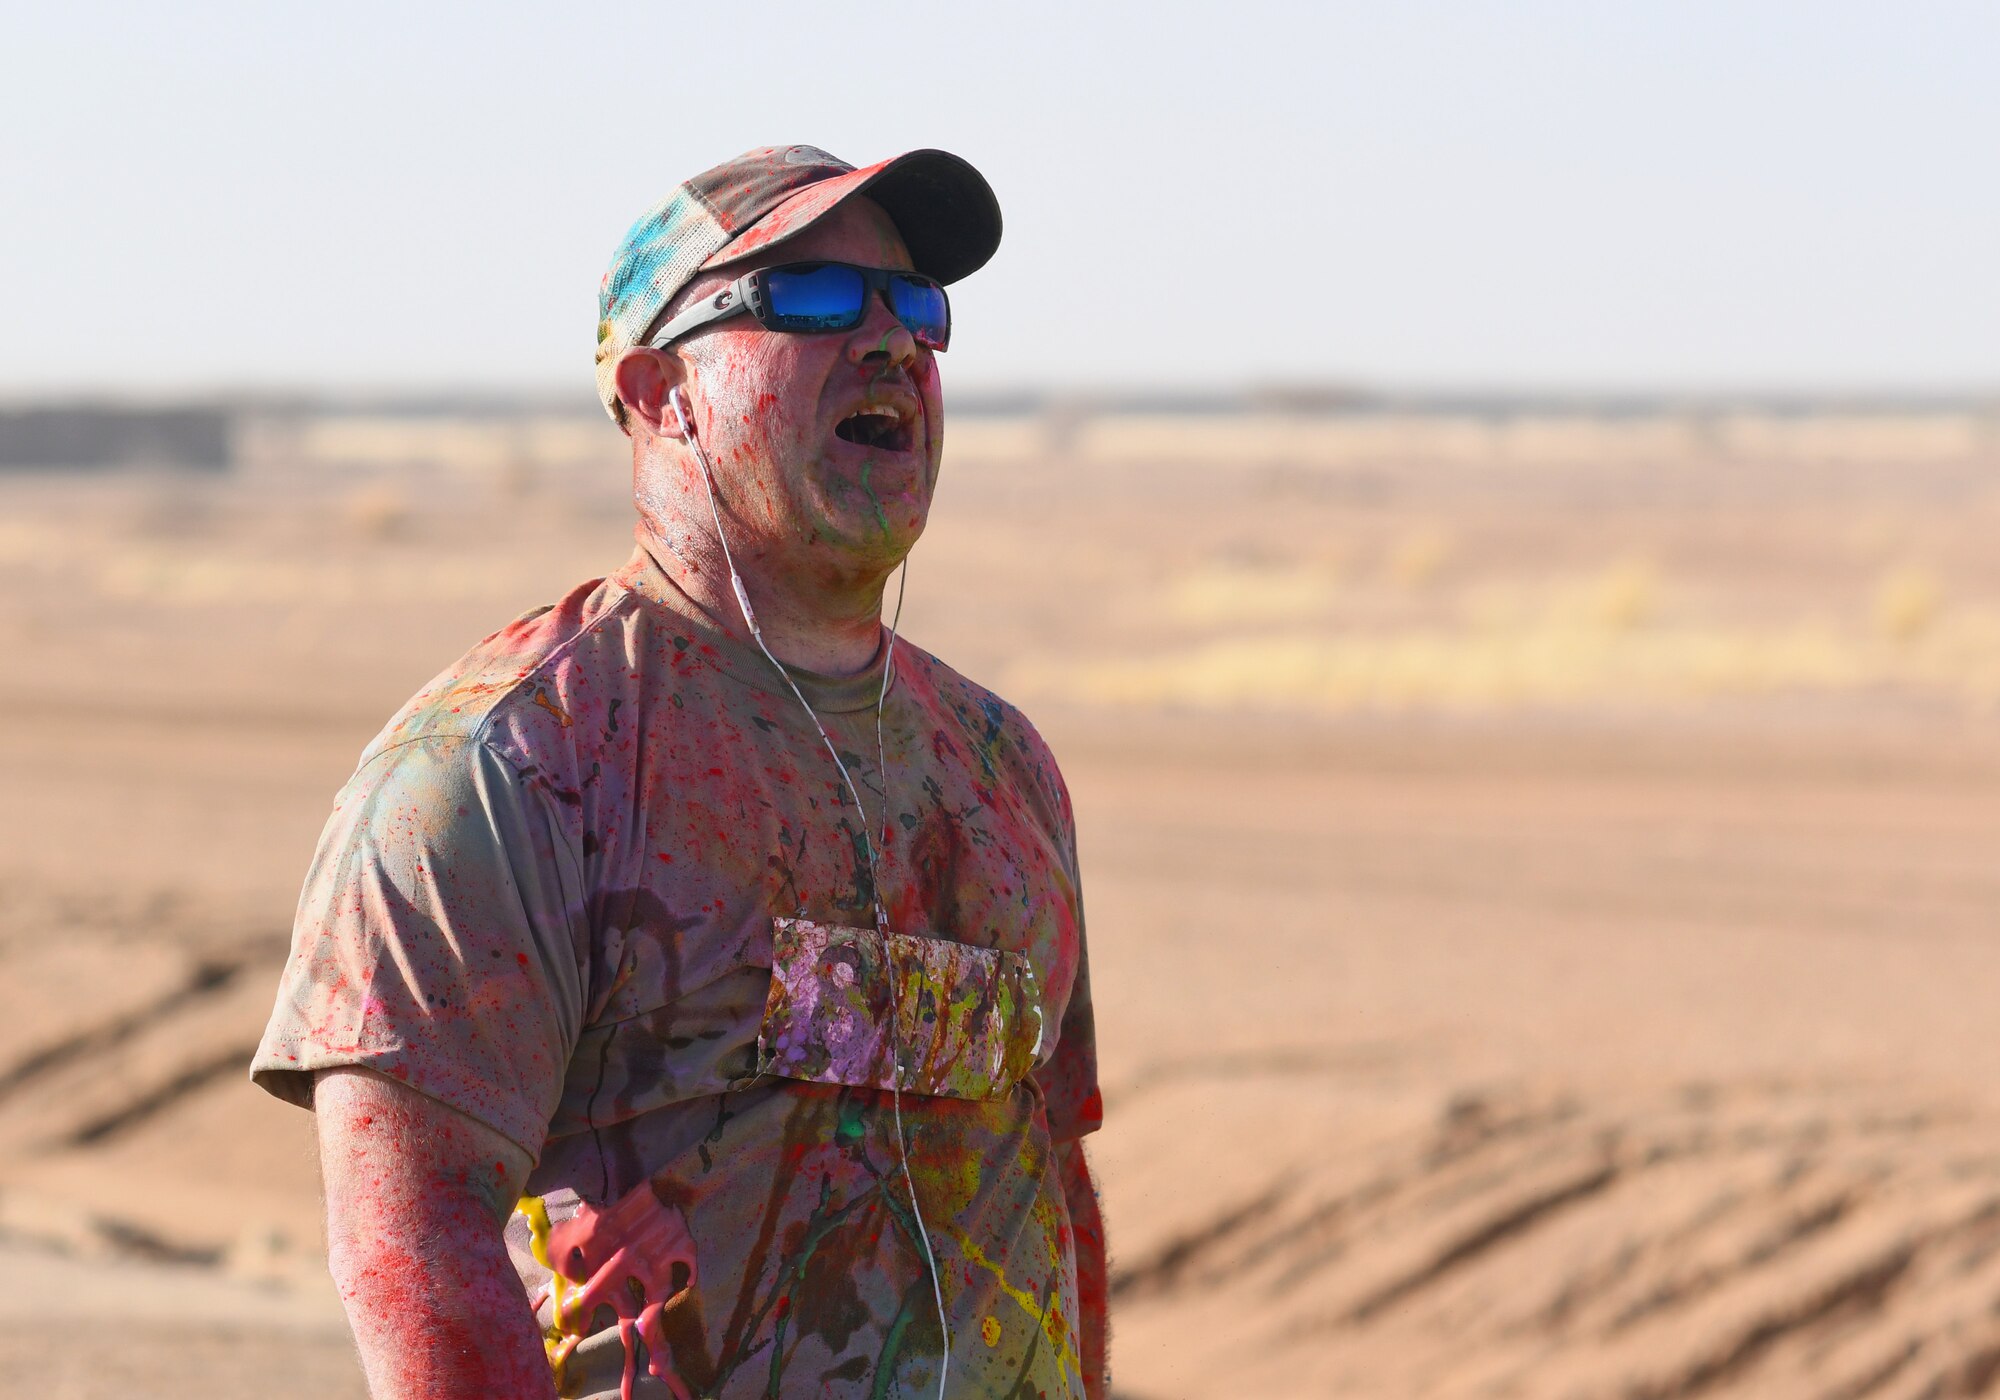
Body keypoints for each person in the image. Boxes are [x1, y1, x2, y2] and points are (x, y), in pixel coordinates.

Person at [251, 144, 1107, 1400]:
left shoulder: (998, 766)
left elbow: (1055, 1181)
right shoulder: (505, 768)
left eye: (914, 306)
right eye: (810, 297)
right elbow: (414, 1239)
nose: (888, 342)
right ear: (659, 390)